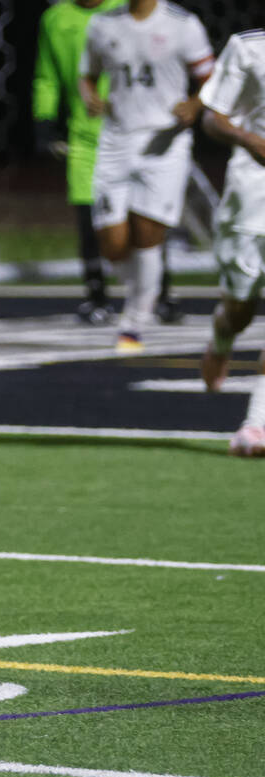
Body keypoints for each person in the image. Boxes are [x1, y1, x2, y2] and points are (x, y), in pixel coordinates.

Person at [79, 0, 213, 353]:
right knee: (113, 244)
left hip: (165, 144)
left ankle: (135, 322)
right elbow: (87, 75)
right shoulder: (102, 25)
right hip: (116, 142)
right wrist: (90, 97)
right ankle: (144, 293)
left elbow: (211, 79)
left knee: (148, 236)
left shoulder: (183, 25)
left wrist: (195, 105)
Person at [34, 0, 127, 324]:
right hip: (84, 137)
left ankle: (161, 294)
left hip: (131, 133)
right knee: (88, 221)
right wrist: (44, 121)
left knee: (143, 220)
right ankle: (97, 297)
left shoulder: (127, 8)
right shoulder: (55, 18)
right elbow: (47, 76)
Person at [196, 28, 265, 456]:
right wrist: (248, 138)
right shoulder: (249, 47)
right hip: (251, 202)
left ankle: (257, 422)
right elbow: (211, 116)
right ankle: (221, 338)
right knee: (239, 310)